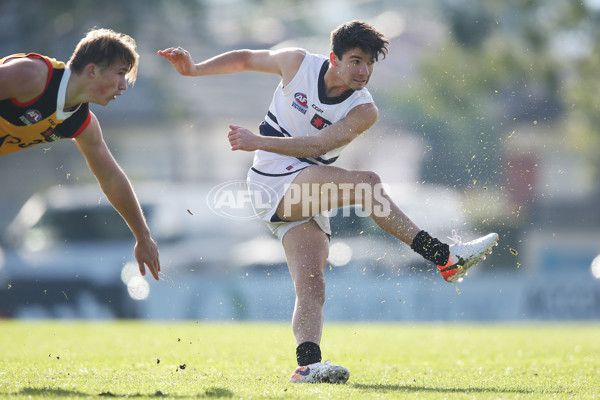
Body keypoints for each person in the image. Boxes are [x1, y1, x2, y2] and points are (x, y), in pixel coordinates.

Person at [158, 20, 498, 384]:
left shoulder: (364, 110)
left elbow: (318, 147)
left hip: (306, 191)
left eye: (369, 63)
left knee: (312, 283)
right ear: (333, 58)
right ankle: (444, 257)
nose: (364, 71)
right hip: (271, 183)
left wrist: (258, 140)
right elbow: (244, 59)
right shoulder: (296, 63)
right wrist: (194, 70)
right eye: (356, 61)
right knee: (367, 185)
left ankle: (307, 365)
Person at [0, 28, 161, 281]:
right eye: (120, 74)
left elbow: (110, 178)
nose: (123, 86)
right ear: (92, 70)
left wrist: (143, 237)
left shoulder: (81, 123)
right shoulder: (32, 75)